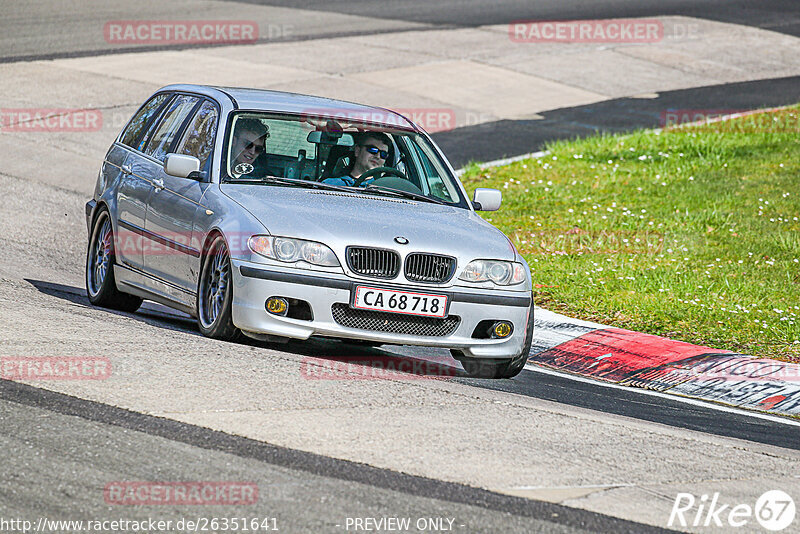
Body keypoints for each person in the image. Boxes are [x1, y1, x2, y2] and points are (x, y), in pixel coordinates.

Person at [322, 132, 391, 186]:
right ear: (357, 151)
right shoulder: (331, 185)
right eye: (373, 150)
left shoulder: (385, 189)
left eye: (383, 154)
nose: (378, 156)